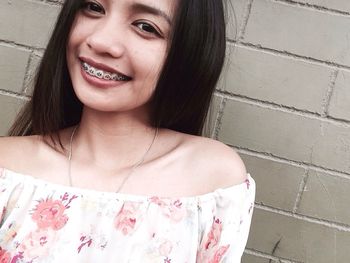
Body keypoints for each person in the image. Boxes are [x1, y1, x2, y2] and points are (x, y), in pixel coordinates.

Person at [0, 0, 255, 262]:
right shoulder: (7, 170)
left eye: (145, 26)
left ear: (189, 51)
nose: (100, 41)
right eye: (94, 7)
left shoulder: (212, 183)